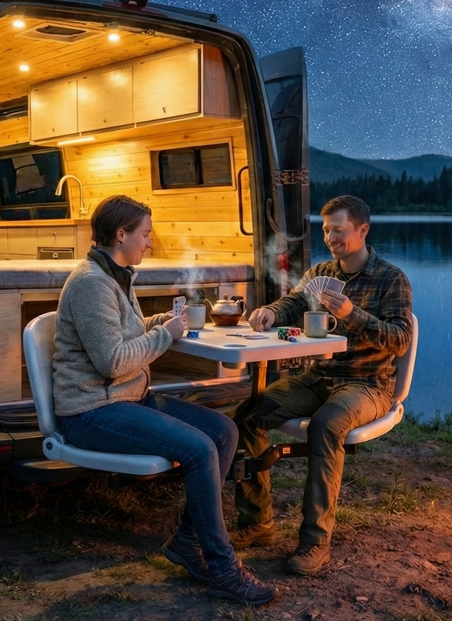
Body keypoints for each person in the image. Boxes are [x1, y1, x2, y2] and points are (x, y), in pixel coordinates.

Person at [52, 194, 277, 606]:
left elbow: (124, 331)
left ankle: (186, 542)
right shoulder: (91, 284)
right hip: (91, 410)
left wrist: (161, 322)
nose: (149, 243)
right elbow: (113, 362)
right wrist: (164, 336)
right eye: (144, 234)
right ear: (120, 235)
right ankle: (224, 569)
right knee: (198, 448)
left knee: (224, 431)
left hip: (126, 399)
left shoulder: (117, 273)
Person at [233, 195, 413, 575]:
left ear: (363, 230)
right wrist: (269, 311)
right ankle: (257, 523)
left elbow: (400, 340)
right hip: (319, 378)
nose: (330, 236)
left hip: (369, 384)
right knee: (248, 415)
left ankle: (315, 542)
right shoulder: (319, 273)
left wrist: (351, 313)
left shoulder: (390, 278)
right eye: (326, 229)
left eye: (339, 230)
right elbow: (293, 303)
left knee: (326, 425)